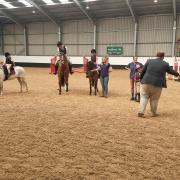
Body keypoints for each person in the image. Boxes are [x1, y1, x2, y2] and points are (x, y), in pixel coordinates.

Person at [138, 52, 180, 117]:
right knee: (154, 99)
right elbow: (171, 71)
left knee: (144, 97)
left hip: (145, 82)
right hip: (157, 84)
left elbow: (143, 71)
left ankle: (141, 112)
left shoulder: (149, 61)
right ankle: (153, 113)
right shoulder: (165, 64)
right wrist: (178, 74)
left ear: (156, 55)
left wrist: (140, 79)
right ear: (163, 56)